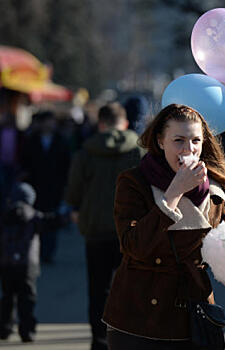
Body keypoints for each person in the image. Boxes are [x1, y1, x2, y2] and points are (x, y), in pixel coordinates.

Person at [102, 104, 225, 350]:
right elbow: (133, 246)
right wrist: (174, 192)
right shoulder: (133, 183)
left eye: (196, 140)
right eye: (178, 140)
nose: (189, 149)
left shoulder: (216, 190)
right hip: (138, 319)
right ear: (160, 141)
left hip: (194, 318)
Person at [65, 102, 143, 350]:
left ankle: (99, 340)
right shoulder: (138, 151)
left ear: (100, 124)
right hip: (131, 231)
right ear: (126, 123)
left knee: (99, 291)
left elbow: (74, 191)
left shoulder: (85, 153)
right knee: (131, 288)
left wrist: (76, 210)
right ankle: (129, 338)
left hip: (96, 231)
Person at [21, 111, 71, 263]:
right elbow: (25, 163)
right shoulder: (31, 141)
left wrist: (65, 185)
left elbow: (66, 165)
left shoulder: (61, 141)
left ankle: (48, 253)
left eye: (52, 121)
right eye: (47, 121)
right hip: (35, 187)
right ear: (41, 123)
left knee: (52, 220)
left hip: (54, 187)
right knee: (36, 220)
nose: (50, 124)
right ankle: (37, 251)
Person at [0, 182, 43, 342]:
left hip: (6, 264)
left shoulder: (5, 215)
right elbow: (51, 222)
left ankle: (4, 328)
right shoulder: (34, 216)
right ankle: (27, 331)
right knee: (27, 299)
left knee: (7, 297)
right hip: (27, 265)